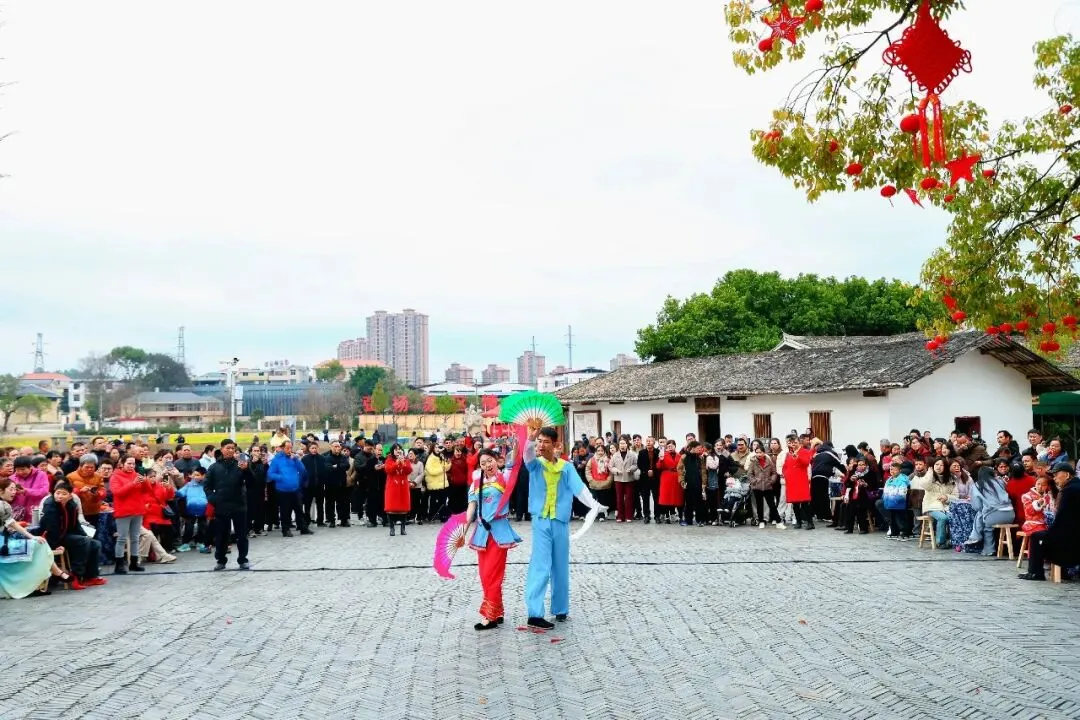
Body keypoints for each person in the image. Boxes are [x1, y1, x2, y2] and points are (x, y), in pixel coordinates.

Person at [522, 427, 605, 629]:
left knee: (560, 565)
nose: (541, 445)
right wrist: (530, 440)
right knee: (540, 564)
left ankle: (560, 608)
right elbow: (527, 456)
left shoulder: (566, 468)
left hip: (560, 520)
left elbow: (579, 489)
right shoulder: (535, 465)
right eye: (539, 441)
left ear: (556, 445)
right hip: (541, 520)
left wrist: (594, 505)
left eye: (545, 442)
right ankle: (534, 613)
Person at [467, 448, 522, 630]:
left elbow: (513, 461)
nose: (487, 465)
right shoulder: (476, 482)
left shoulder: (504, 477)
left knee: (493, 574)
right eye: (483, 463)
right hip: (482, 534)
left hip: (499, 532)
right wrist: (464, 531)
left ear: (496, 460)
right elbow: (471, 508)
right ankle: (497, 611)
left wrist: (518, 442)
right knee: (485, 575)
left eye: (489, 460)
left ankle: (489, 616)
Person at [0, 478, 73, 597]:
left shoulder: (4, 504)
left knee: (38, 544)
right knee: (38, 545)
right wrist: (32, 536)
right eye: (11, 489)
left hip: (5, 540)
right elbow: (12, 523)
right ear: (1, 490)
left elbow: (11, 524)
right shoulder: (2, 505)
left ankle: (52, 576)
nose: (14, 492)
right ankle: (57, 573)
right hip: (2, 542)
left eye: (15, 489)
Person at [35, 481, 107, 589]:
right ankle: (76, 576)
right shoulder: (50, 505)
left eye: (64, 494)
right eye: (58, 493)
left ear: (70, 495)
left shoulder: (72, 505)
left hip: (67, 535)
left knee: (95, 543)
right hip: (52, 538)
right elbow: (51, 529)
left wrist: (85, 535)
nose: (60, 496)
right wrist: (57, 544)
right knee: (83, 541)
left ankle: (90, 576)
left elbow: (76, 525)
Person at [1020, 462, 1080, 580]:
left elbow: (1062, 518)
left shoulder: (1068, 490)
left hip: (1072, 537)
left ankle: (1035, 572)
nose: (1054, 478)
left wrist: (1050, 532)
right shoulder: (1076, 486)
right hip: (1074, 532)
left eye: (1056, 475)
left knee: (1037, 536)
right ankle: (1063, 572)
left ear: (1067, 475)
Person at [204, 439, 250, 571]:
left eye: (232, 448)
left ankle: (243, 559)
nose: (230, 450)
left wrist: (247, 470)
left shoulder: (240, 465)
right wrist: (213, 499)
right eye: (228, 448)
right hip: (221, 506)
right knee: (222, 535)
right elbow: (207, 486)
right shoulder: (214, 467)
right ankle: (221, 560)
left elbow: (252, 482)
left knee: (242, 535)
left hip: (239, 504)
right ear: (222, 449)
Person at [966, 465, 1016, 556]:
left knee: (986, 526)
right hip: (1010, 514)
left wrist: (984, 509)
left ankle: (988, 549)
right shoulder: (1000, 481)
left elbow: (977, 506)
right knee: (982, 515)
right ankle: (975, 536)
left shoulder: (977, 485)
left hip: (994, 515)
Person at [110, 455, 147, 574]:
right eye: (129, 463)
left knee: (135, 538)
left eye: (133, 464)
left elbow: (145, 491)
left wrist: (145, 482)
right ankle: (119, 564)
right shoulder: (115, 476)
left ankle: (134, 563)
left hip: (137, 510)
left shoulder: (136, 475)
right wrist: (133, 483)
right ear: (122, 464)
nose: (131, 466)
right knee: (122, 538)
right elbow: (118, 492)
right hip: (123, 511)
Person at [268, 440, 310, 537]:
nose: (289, 450)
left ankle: (303, 528)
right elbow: (270, 474)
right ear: (282, 448)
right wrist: (281, 477)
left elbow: (302, 470)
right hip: (282, 490)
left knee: (299, 510)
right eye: (287, 448)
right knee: (285, 511)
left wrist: (296, 460)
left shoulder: (293, 458)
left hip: (295, 489)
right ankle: (285, 530)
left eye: (291, 447)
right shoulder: (277, 459)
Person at [780, 434, 816, 530]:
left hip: (801, 480)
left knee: (804, 503)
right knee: (795, 503)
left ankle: (810, 522)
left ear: (799, 443)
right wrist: (785, 473)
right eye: (791, 443)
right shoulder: (788, 454)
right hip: (791, 481)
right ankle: (798, 521)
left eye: (795, 442)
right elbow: (785, 466)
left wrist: (798, 457)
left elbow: (806, 463)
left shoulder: (804, 451)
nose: (793, 444)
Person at [176, 467, 211, 552]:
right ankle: (186, 543)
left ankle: (200, 542)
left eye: (197, 475)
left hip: (203, 509)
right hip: (190, 509)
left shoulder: (207, 485)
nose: (195, 477)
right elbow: (181, 493)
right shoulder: (188, 485)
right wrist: (172, 490)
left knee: (203, 526)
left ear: (203, 475)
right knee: (188, 526)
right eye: (194, 475)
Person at [11, 456, 50, 525]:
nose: (20, 472)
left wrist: (26, 491)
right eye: (17, 470)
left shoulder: (41, 475)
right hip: (18, 513)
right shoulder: (12, 478)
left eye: (23, 469)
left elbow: (44, 491)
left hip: (35, 511)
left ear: (30, 467)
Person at [748, 443, 779, 528]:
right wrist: (754, 481)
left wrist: (772, 480)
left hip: (767, 486)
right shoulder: (753, 462)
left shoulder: (769, 461)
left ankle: (778, 521)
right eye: (757, 452)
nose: (759, 454)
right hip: (757, 486)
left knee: (772, 504)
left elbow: (774, 472)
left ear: (764, 452)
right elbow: (750, 474)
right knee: (759, 504)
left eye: (760, 452)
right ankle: (761, 521)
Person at [383, 444, 412, 536]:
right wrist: (396, 463)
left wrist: (403, 463)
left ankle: (403, 528)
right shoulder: (389, 460)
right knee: (391, 508)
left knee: (403, 508)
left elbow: (409, 470)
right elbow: (388, 470)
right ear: (392, 451)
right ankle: (392, 528)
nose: (398, 451)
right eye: (395, 449)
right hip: (392, 487)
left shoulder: (406, 459)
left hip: (403, 486)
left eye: (399, 449)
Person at [677, 441, 707, 526]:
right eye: (698, 448)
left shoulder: (700, 458)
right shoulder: (684, 457)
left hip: (698, 482)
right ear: (693, 448)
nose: (700, 449)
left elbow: (703, 471)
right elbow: (680, 470)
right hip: (688, 482)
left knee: (699, 502)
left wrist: (704, 483)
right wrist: (682, 481)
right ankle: (688, 520)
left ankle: (699, 520)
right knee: (688, 502)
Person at [324, 441, 351, 528]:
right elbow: (328, 468)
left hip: (341, 484)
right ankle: (331, 520)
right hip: (330, 484)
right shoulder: (327, 457)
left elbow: (347, 466)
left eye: (338, 446)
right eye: (335, 446)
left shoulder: (343, 457)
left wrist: (336, 466)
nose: (337, 448)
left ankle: (344, 520)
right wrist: (336, 467)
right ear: (331, 447)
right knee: (330, 503)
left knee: (343, 502)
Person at [656, 440, 683, 524]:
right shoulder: (663, 455)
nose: (670, 448)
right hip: (666, 477)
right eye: (668, 447)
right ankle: (666, 516)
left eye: (671, 446)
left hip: (676, 477)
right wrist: (661, 460)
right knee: (666, 497)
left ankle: (677, 515)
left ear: (675, 446)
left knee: (677, 497)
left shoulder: (679, 455)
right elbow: (658, 466)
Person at [637, 436, 660, 524]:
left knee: (656, 498)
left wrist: (653, 471)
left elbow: (659, 464)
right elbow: (639, 464)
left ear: (654, 442)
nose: (648, 442)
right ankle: (646, 515)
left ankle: (657, 516)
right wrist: (647, 471)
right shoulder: (642, 452)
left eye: (650, 441)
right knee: (645, 498)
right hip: (645, 478)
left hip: (655, 478)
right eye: (647, 441)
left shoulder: (657, 452)